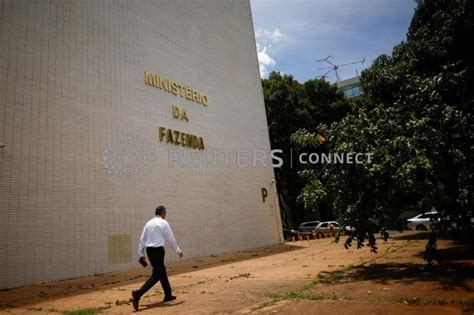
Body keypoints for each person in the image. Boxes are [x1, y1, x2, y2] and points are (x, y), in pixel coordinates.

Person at [132, 206, 183, 311]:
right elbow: (170, 237)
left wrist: (141, 254)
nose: (166, 214)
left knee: (161, 271)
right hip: (158, 251)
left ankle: (168, 294)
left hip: (149, 251)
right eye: (165, 212)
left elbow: (142, 240)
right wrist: (178, 250)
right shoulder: (163, 223)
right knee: (157, 274)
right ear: (162, 213)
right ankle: (138, 294)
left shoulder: (148, 223)